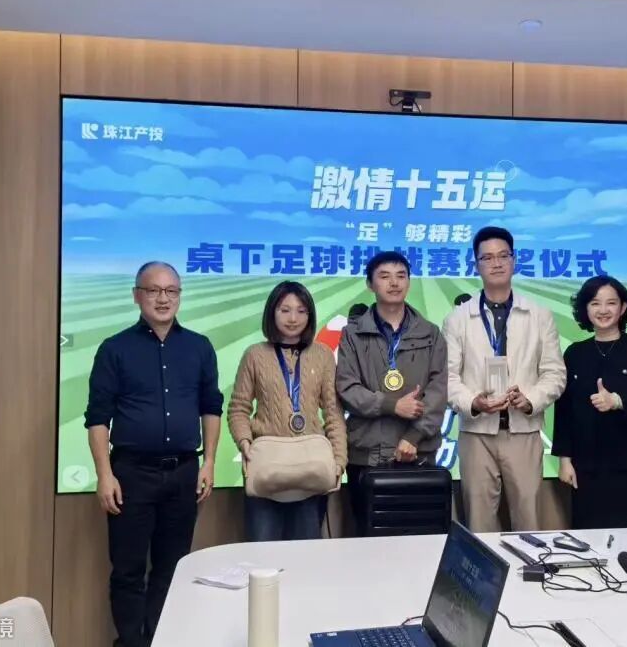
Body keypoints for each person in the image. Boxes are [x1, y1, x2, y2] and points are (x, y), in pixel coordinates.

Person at [84, 261, 222, 647]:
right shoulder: (115, 349)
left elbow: (211, 408)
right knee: (128, 570)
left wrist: (209, 462)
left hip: (183, 473)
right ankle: (132, 643)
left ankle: (161, 640)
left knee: (171, 568)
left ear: (179, 296)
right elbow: (98, 418)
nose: (163, 298)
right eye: (154, 290)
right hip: (131, 475)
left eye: (171, 291)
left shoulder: (199, 347)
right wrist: (105, 474)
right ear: (137, 296)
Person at [444, 227, 566, 533]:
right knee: (479, 522)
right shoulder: (458, 318)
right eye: (487, 257)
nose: (496, 263)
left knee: (529, 519)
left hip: (523, 431)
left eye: (503, 256)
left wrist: (530, 400)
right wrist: (473, 402)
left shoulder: (539, 315)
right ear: (476, 264)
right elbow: (447, 377)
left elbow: (555, 373)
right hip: (476, 434)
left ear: (514, 260)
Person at [335, 250, 448, 536]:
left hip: (418, 453)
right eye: (384, 276)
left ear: (409, 282)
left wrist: (414, 436)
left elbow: (438, 389)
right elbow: (347, 387)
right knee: (366, 538)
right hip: (366, 454)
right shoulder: (352, 334)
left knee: (418, 538)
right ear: (370, 284)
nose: (394, 283)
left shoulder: (431, 333)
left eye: (401, 276)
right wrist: (391, 405)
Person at [228, 281, 347, 541]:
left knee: (305, 553)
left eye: (301, 311)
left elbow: (333, 413)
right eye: (285, 310)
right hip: (267, 466)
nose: (293, 318)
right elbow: (238, 408)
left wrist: (339, 460)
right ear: (272, 312)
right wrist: (245, 441)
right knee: (262, 552)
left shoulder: (323, 355)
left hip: (311, 467)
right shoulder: (254, 355)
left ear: (310, 315)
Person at [552, 275, 627, 529]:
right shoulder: (575, 353)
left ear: (623, 308)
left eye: (611, 303)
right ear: (585, 309)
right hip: (588, 467)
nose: (603, 310)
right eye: (595, 303)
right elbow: (564, 410)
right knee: (591, 539)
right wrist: (564, 460)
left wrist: (617, 401)